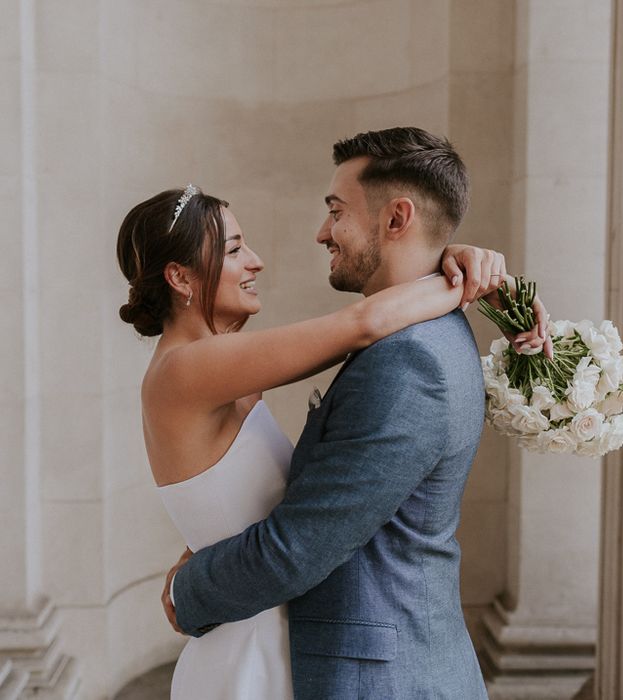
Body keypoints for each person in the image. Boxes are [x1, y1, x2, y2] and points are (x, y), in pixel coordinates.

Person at [147, 127, 549, 699]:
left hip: (375, 672)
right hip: (281, 650)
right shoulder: (418, 335)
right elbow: (356, 328)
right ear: (178, 278)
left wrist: (187, 590)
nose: (320, 233)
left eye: (336, 211)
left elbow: (296, 549)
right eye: (234, 249)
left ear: (395, 219)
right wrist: (458, 273)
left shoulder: (411, 359)